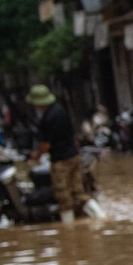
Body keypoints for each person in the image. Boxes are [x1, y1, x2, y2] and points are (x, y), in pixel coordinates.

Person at [27, 85, 86, 224]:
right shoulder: (61, 111)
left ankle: (69, 230)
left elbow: (45, 145)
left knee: (63, 196)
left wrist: (37, 155)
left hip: (61, 160)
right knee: (79, 192)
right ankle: (100, 217)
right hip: (74, 156)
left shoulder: (47, 119)